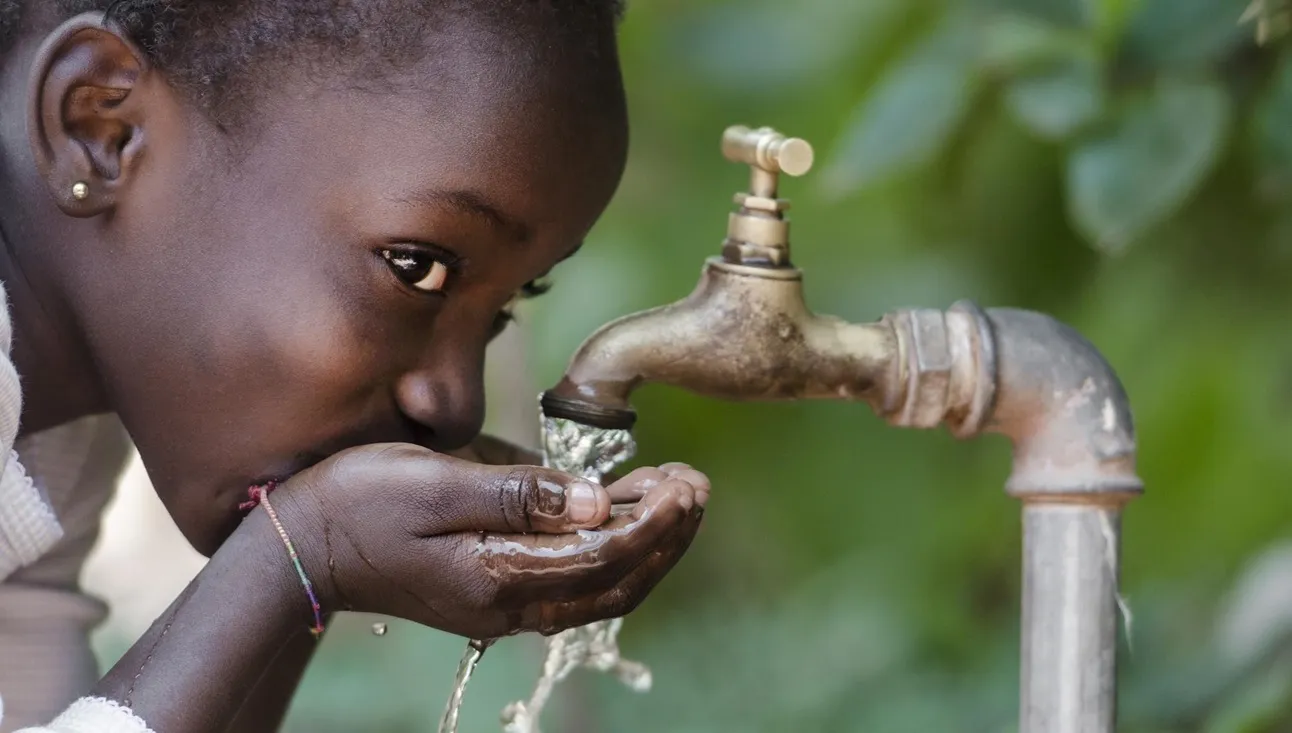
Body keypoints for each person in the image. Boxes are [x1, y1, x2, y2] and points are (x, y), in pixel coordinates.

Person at [0, 1, 712, 731]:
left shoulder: (53, 432)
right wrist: (298, 553)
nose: (453, 403)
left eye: (507, 304)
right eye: (418, 267)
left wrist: (313, 561)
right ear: (102, 128)